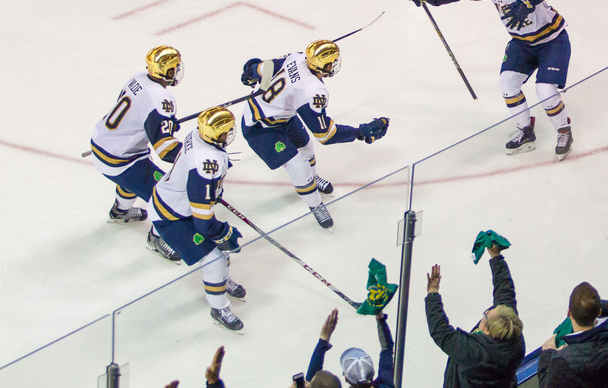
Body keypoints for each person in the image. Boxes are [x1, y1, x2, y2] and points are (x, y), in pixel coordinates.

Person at [410, 0, 573, 159]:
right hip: (522, 43)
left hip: (552, 41)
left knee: (544, 90)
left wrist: (525, 3)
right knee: (508, 85)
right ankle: (525, 130)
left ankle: (564, 130)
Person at [239, 39, 389, 229]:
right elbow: (325, 135)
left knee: (306, 147)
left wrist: (250, 71)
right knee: (298, 167)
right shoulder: (312, 91)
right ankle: (315, 204)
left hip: (280, 115)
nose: (335, 64)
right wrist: (360, 132)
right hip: (260, 127)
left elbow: (265, 67)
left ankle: (313, 177)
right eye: (332, 62)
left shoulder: (297, 57)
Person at [148, 107, 247, 331]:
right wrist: (223, 233)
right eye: (225, 132)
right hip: (171, 217)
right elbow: (203, 222)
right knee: (216, 258)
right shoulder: (206, 164)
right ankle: (219, 308)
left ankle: (220, 281)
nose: (229, 135)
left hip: (172, 201)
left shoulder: (197, 135)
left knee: (219, 251)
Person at [90, 45, 183, 262]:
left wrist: (161, 125)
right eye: (175, 67)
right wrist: (191, 156)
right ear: (167, 71)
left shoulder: (139, 77)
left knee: (135, 177)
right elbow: (164, 150)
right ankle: (156, 239)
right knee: (169, 196)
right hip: (121, 159)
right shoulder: (162, 100)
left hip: (102, 141)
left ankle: (120, 212)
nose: (177, 71)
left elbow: (136, 112)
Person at [425, 245, 525, 387]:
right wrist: (496, 257)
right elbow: (505, 293)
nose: (487, 312)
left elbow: (441, 332)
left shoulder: (472, 352)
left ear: (487, 331)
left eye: (486, 316)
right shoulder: (513, 338)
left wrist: (432, 293)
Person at [537, 282, 608, 387]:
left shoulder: (561, 360)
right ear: (599, 312)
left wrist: (546, 356)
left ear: (569, 313)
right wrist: (593, 306)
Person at [304, 308, 395, 388]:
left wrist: (324, 339)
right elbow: (387, 348)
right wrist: (380, 319)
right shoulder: (386, 384)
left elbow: (312, 382)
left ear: (346, 378)